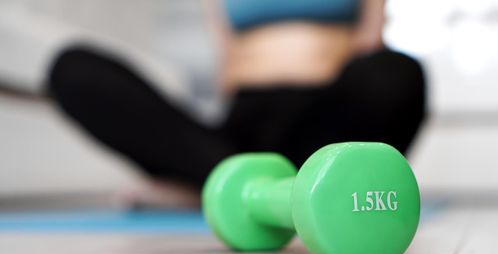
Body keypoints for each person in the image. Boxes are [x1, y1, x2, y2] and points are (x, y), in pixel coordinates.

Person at [48, 0, 426, 206]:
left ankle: (223, 186)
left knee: (398, 72)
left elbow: (370, 41)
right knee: (74, 70)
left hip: (323, 126)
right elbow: (224, 61)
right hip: (239, 132)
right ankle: (236, 179)